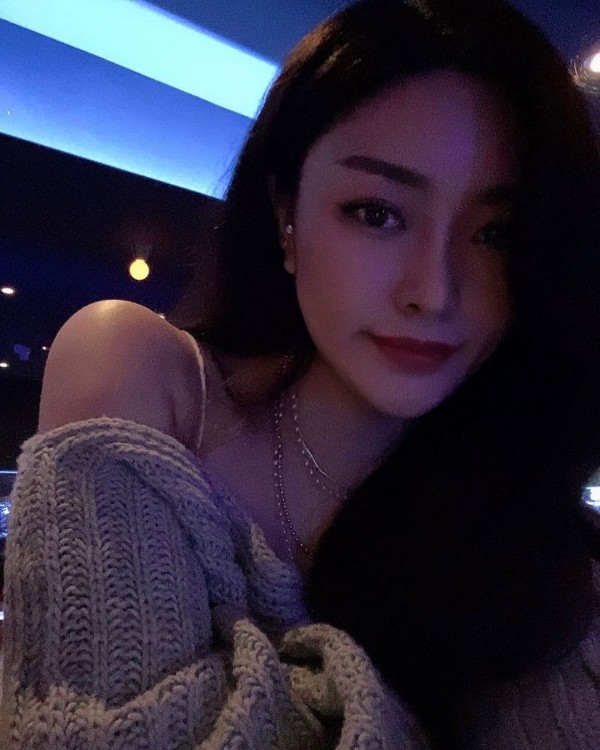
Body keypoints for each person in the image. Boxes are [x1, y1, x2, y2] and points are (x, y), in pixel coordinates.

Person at [2, 0, 599, 747]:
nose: (434, 292)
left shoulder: (538, 532)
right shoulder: (145, 377)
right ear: (287, 215)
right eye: (378, 213)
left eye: (496, 232)